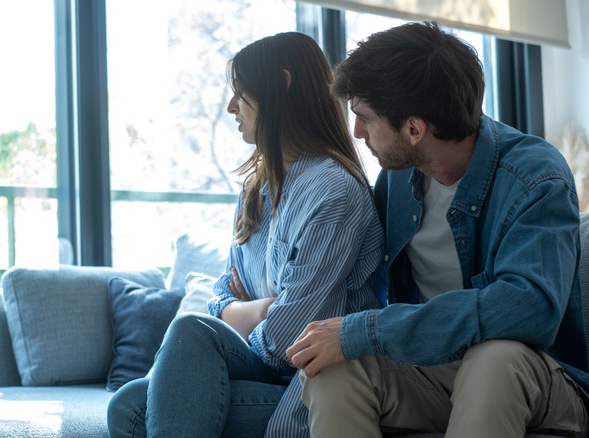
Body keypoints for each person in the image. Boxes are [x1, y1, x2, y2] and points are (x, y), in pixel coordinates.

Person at [286, 21, 589, 437]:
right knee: (332, 367)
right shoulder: (399, 178)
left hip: (531, 376)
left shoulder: (534, 176)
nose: (357, 132)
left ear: (415, 129)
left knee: (492, 359)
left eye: (365, 118)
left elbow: (531, 309)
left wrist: (370, 329)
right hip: (433, 373)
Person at [106, 31, 385, 437]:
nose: (230, 106)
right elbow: (221, 293)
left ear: (282, 86)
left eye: (241, 93)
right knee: (129, 403)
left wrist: (246, 312)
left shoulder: (333, 191)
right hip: (264, 371)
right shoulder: (258, 186)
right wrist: (258, 308)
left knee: (185, 341)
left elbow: (288, 339)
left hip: (309, 387)